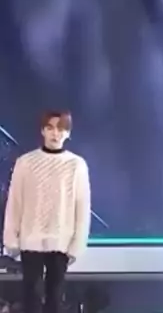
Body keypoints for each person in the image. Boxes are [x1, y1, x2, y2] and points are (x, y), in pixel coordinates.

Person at [3, 111, 91, 313]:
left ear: (68, 133)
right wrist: (11, 239)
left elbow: (82, 207)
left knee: (55, 297)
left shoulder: (76, 165)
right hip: (30, 239)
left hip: (61, 241)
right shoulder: (25, 163)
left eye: (61, 129)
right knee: (31, 296)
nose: (55, 133)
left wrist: (76, 245)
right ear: (42, 130)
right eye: (50, 128)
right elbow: (15, 202)